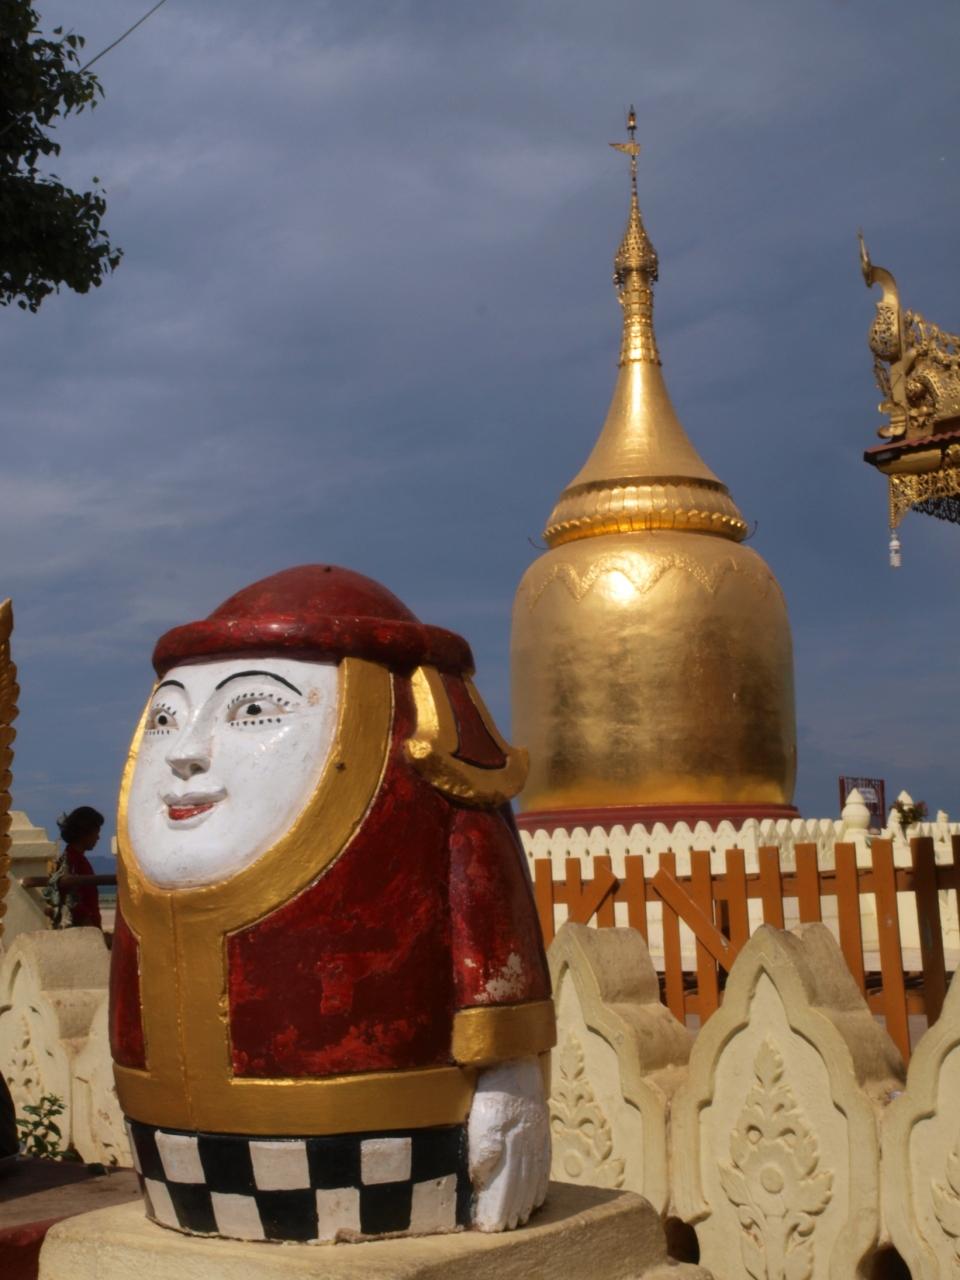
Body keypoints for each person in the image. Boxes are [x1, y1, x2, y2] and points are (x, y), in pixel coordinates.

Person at [54, 805, 105, 929]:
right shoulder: (72, 861)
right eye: (96, 833)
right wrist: (91, 927)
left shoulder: (74, 859)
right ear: (84, 833)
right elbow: (73, 902)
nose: (98, 838)